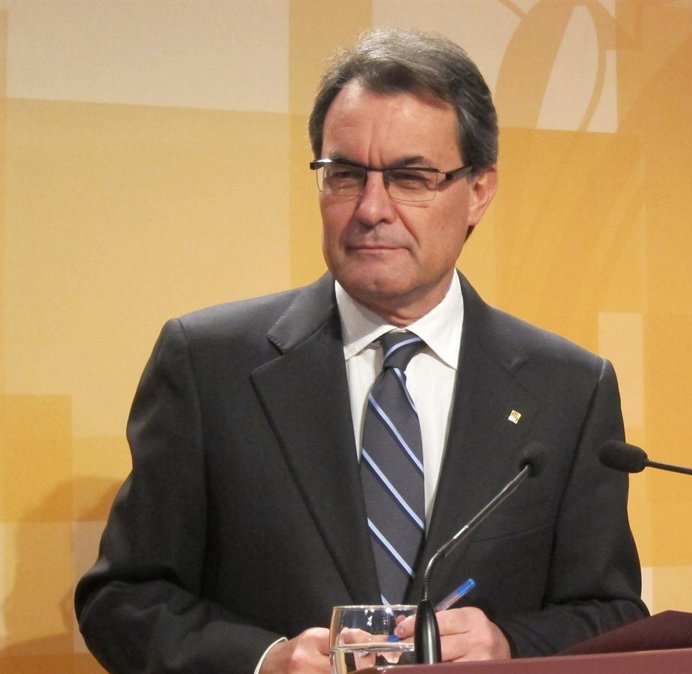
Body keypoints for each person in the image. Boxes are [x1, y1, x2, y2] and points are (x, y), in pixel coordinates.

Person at [74, 28, 647, 674]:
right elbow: (122, 599)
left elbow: (611, 612)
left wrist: (511, 644)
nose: (372, 209)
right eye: (345, 176)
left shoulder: (569, 388)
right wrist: (265, 661)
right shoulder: (209, 365)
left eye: (410, 177)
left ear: (479, 191)